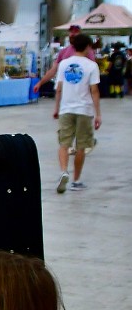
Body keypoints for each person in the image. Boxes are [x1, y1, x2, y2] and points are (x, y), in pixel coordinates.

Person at [52, 32, 101, 194]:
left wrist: (57, 108)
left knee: (64, 143)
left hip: (66, 108)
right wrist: (98, 114)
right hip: (84, 110)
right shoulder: (91, 66)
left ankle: (64, 171)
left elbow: (58, 89)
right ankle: (76, 180)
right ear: (87, 47)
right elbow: (94, 91)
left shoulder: (64, 64)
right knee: (81, 146)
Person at [33, 24, 96, 94]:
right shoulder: (63, 52)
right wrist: (40, 83)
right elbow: (53, 70)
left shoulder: (88, 51)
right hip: (66, 92)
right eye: (71, 32)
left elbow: (92, 72)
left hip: (82, 92)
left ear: (80, 35)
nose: (73, 34)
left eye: (75, 32)